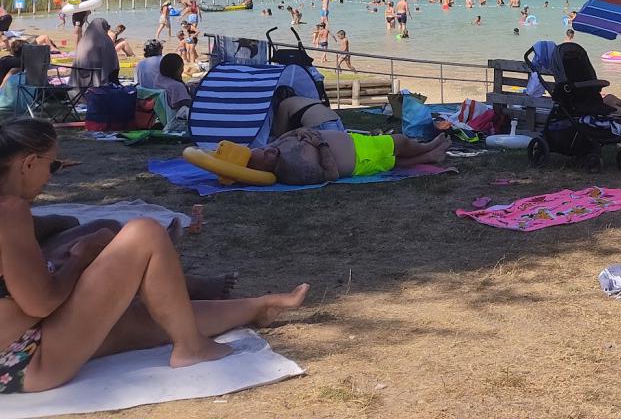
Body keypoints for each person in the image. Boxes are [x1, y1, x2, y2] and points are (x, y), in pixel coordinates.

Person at [0, 118, 310, 394]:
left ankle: (257, 307)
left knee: (142, 315)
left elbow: (45, 234)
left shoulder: (12, 209)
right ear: (28, 163)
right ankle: (191, 346)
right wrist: (83, 256)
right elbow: (40, 302)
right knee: (144, 233)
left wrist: (74, 245)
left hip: (18, 347)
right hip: (22, 361)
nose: (52, 177)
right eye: (52, 166)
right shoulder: (9, 211)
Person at [246, 128, 450, 185]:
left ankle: (429, 156)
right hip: (358, 157)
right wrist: (321, 145)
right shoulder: (293, 171)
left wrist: (299, 132)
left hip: (353, 144)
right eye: (264, 156)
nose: (268, 151)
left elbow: (288, 135)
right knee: (399, 143)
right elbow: (331, 175)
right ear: (265, 169)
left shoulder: (274, 147)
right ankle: (427, 148)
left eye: (263, 149)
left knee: (394, 161)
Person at [71, 18, 118, 89]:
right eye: (107, 27)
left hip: (78, 79)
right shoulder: (105, 41)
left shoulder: (83, 40)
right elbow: (114, 64)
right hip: (95, 79)